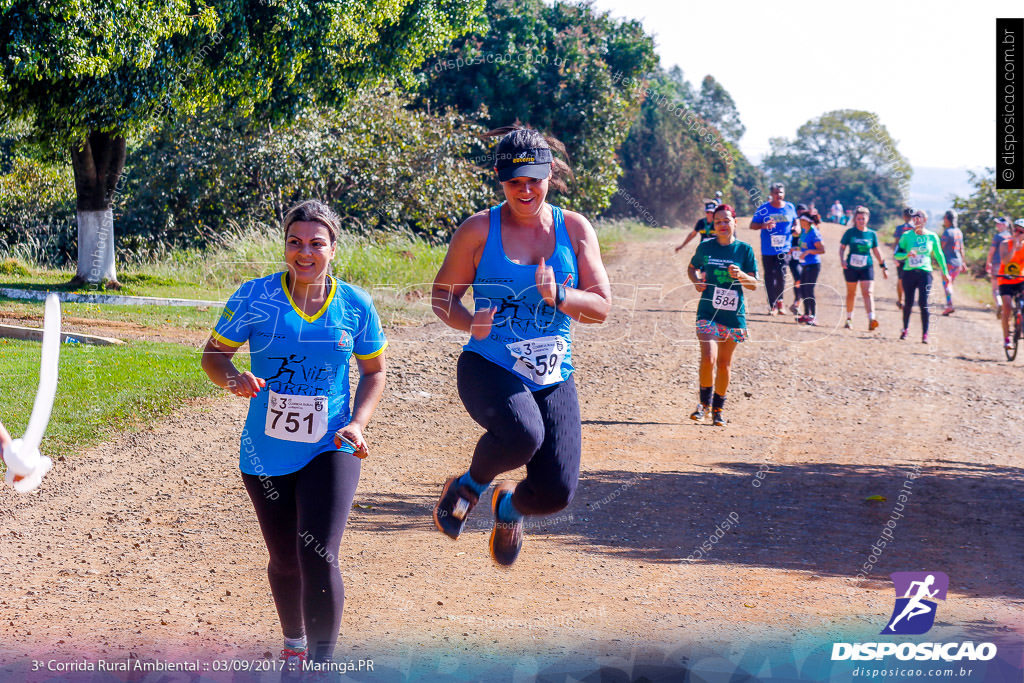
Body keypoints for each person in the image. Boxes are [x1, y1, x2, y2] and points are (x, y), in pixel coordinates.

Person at [200, 200, 388, 669]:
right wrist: (233, 378)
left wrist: (357, 423)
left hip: (332, 444)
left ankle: (323, 666)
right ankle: (295, 646)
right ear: (285, 245)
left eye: (316, 243)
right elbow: (213, 356)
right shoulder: (255, 297)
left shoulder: (356, 305)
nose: (304, 252)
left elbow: (375, 372)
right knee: (285, 559)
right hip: (265, 453)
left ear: (333, 248)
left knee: (318, 555)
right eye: (295, 242)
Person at [431, 125, 611, 566]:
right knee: (523, 434)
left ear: (550, 175)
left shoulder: (575, 228)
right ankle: (468, 487)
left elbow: (602, 306)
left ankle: (507, 507)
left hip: (552, 373)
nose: (525, 190)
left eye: (534, 179)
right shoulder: (478, 230)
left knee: (556, 493)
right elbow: (442, 296)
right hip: (489, 362)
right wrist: (468, 320)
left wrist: (561, 297)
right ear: (499, 178)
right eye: (514, 181)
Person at [687, 204, 759, 426]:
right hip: (708, 312)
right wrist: (697, 281)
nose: (722, 225)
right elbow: (692, 267)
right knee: (709, 357)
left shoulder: (744, 250)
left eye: (726, 221)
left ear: (735, 223)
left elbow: (754, 285)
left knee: (725, 364)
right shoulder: (706, 248)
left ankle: (718, 409)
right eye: (718, 222)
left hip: (733, 316)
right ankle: (703, 405)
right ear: (713, 225)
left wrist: (741, 276)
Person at [894, 209, 949, 343]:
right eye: (915, 217)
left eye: (920, 217)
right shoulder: (906, 236)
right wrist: (907, 255)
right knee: (908, 302)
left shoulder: (932, 236)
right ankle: (905, 329)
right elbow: (897, 254)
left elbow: (939, 255)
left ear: (925, 220)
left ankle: (925, 334)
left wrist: (945, 272)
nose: (917, 219)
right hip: (908, 272)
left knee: (924, 303)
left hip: (925, 273)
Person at [749, 182, 796, 315]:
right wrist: (763, 225)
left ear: (784, 193)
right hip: (768, 249)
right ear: (771, 194)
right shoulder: (764, 208)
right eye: (775, 193)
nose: (778, 195)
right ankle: (772, 305)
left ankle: (780, 301)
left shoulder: (790, 207)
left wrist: (796, 227)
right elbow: (752, 225)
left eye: (780, 192)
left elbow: (795, 221)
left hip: (784, 248)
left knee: (781, 273)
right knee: (769, 276)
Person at [839, 206, 888, 330]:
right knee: (851, 293)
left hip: (867, 266)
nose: (861, 221)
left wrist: (883, 266)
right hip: (851, 267)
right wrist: (842, 260)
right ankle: (849, 318)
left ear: (867, 219)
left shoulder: (872, 234)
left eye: (863, 218)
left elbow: (876, 250)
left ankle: (871, 319)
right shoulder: (850, 232)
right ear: (855, 219)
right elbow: (842, 248)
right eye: (859, 218)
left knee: (868, 292)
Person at [795, 210, 826, 325]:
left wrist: (808, 252)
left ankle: (813, 316)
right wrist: (794, 250)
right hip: (804, 264)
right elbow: (801, 246)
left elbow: (822, 250)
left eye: (803, 220)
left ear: (808, 222)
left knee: (809, 289)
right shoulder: (804, 231)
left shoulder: (814, 233)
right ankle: (806, 314)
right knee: (802, 289)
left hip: (813, 265)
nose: (801, 222)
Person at [997, 219, 1024, 349]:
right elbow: (1006, 261)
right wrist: (1014, 247)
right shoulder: (1004, 244)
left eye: (1021, 231)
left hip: (1020, 279)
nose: (1017, 233)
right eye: (1015, 230)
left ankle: (1021, 325)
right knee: (1007, 307)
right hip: (1005, 280)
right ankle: (1006, 338)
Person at [939, 209, 967, 315]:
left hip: (948, 263)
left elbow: (940, 248)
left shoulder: (947, 232)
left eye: (944, 218)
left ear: (947, 219)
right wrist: (963, 263)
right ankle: (948, 303)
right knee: (950, 283)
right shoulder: (959, 232)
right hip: (958, 263)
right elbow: (962, 249)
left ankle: (949, 305)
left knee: (947, 284)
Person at [987, 217, 1013, 318]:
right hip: (1010, 266)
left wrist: (988, 263)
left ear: (1005, 225)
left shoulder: (997, 237)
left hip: (997, 265)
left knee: (995, 289)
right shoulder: (1012, 237)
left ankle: (999, 304)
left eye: (999, 224)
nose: (997, 226)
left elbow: (991, 252)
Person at [892, 208, 914, 310]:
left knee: (900, 279)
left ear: (904, 216)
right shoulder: (916, 228)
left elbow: (896, 243)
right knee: (910, 280)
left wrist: (894, 256)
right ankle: (906, 300)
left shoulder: (899, 228)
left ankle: (900, 300)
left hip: (901, 257)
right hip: (912, 257)